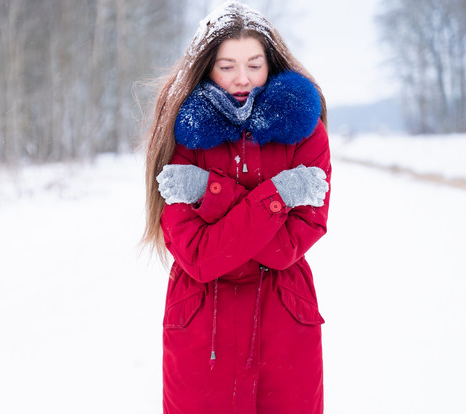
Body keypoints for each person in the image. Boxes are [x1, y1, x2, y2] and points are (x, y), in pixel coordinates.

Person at [142, 2, 331, 413]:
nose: (241, 79)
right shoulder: (183, 132)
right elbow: (201, 257)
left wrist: (206, 191)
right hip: (200, 331)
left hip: (283, 327)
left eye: (254, 64)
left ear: (271, 64)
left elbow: (286, 250)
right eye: (227, 66)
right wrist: (279, 193)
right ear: (206, 67)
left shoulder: (305, 131)